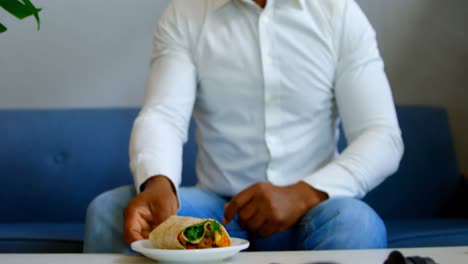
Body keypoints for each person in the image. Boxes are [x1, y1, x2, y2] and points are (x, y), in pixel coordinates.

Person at [83, 0, 404, 253]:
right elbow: (163, 115)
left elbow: (382, 135)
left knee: (358, 224)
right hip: (220, 212)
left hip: (317, 207)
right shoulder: (184, 13)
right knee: (109, 211)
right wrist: (157, 181)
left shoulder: (339, 12)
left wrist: (304, 194)